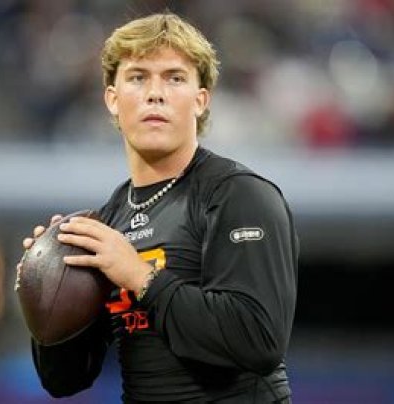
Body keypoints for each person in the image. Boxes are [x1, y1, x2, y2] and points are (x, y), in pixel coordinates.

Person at [17, 12, 298, 403]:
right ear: (112, 99)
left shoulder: (239, 195)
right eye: (137, 77)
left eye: (174, 78)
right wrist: (43, 293)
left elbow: (258, 340)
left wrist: (140, 277)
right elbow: (65, 381)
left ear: (201, 100)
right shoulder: (110, 220)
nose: (155, 93)